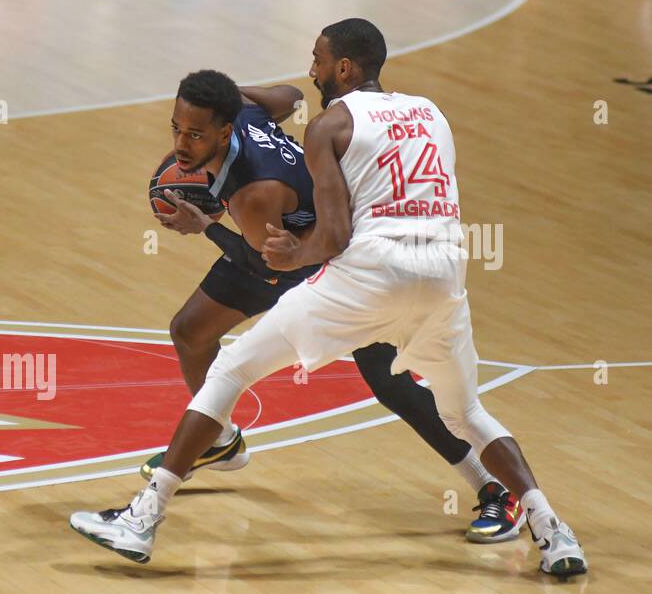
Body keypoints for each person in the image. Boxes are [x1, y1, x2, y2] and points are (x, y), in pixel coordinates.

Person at [71, 19, 586, 579]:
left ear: (344, 68)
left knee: (252, 368)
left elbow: (316, 245)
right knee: (462, 409)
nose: (311, 70)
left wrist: (266, 246)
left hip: (334, 258)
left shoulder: (306, 145)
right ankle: (553, 530)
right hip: (442, 270)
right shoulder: (431, 110)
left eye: (318, 59)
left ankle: (142, 520)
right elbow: (307, 115)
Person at [145, 69, 519, 542]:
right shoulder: (243, 114)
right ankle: (218, 441)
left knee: (391, 383)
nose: (181, 143)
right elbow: (291, 96)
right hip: (283, 239)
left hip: (325, 257)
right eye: (177, 128)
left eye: (195, 133)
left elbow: (269, 266)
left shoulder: (255, 193)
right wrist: (232, 94)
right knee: (191, 330)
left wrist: (207, 227)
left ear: (223, 130)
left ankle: (493, 487)